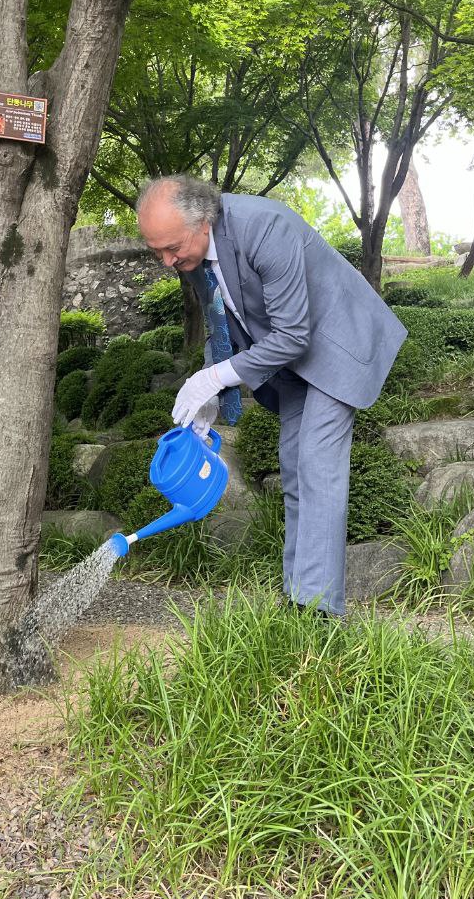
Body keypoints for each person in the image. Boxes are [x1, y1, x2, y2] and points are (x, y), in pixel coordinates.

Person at [135, 175, 407, 617]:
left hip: (336, 344)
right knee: (295, 467)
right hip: (290, 362)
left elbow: (294, 335)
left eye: (171, 247)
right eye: (156, 251)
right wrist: (211, 385)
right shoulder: (197, 256)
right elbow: (226, 323)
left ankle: (318, 614)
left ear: (203, 221)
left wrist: (218, 378)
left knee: (318, 463)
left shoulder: (264, 228)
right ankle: (298, 595)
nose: (166, 260)